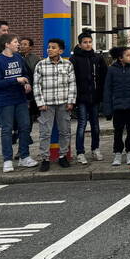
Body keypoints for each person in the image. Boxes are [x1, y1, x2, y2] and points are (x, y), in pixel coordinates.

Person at [0, 34, 38, 172]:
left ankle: (24, 157)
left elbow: (26, 74)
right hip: (5, 101)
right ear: (7, 44)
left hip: (20, 99)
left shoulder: (19, 58)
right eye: (15, 42)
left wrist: (26, 82)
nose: (18, 45)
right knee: (7, 130)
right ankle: (7, 160)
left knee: (25, 127)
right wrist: (16, 80)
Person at [32, 38, 76, 172]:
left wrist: (70, 102)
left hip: (63, 104)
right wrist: (40, 103)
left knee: (65, 131)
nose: (49, 49)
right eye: (48, 47)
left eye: (53, 47)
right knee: (45, 132)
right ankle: (45, 158)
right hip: (47, 105)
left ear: (60, 50)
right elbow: (36, 86)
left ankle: (62, 156)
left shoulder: (68, 65)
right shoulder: (40, 65)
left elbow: (72, 85)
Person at [71, 32, 107, 165]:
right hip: (81, 98)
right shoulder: (74, 59)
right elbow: (72, 79)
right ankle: (80, 152)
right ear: (80, 44)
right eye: (85, 42)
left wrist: (102, 94)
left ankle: (95, 149)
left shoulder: (98, 58)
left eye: (90, 42)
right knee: (81, 125)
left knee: (95, 125)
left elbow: (103, 76)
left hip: (95, 97)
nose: (88, 44)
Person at [104, 45, 130, 166]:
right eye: (128, 55)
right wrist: (108, 109)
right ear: (120, 58)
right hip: (118, 106)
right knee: (118, 130)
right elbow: (108, 90)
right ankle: (118, 152)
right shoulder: (111, 70)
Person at [19, 37, 41, 137]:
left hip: (30, 90)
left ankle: (27, 134)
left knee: (30, 114)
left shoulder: (35, 59)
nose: (22, 46)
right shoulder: (16, 56)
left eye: (25, 44)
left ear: (30, 47)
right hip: (18, 89)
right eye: (21, 44)